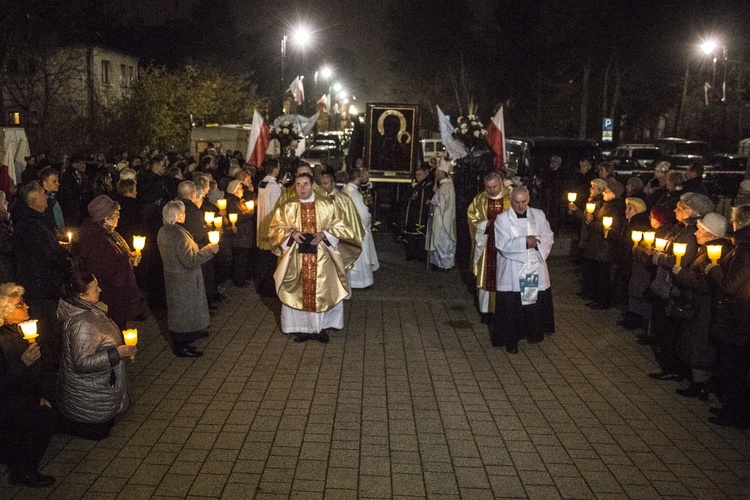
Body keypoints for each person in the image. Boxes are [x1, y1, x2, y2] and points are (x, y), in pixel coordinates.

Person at [269, 173, 362, 343]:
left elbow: (342, 226)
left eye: (305, 184)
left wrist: (325, 234)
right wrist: (291, 234)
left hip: (322, 258)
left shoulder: (327, 204)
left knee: (322, 292)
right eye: (298, 185)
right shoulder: (287, 206)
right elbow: (275, 229)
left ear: (312, 186)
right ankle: (302, 329)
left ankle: (320, 329)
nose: (302, 188)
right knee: (298, 293)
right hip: (296, 259)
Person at [56, 273, 136, 440]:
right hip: (87, 395)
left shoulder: (89, 309)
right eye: (95, 288)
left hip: (97, 388)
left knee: (105, 425)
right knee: (100, 432)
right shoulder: (81, 324)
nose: (100, 289)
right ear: (81, 296)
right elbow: (82, 363)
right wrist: (117, 353)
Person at [648, 192, 714, 381]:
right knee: (665, 329)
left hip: (673, 287)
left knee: (669, 329)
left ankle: (672, 368)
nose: (676, 210)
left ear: (693, 211)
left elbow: (682, 259)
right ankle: (671, 366)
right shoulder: (683, 228)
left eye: (681, 207)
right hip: (668, 285)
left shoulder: (690, 233)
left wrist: (659, 257)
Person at [0, 283, 56, 487]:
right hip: (8, 400)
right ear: (5, 313)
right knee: (43, 418)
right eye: (19, 305)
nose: (27, 308)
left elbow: (48, 368)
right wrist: (22, 363)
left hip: (31, 394)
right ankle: (23, 472)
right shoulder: (2, 340)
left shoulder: (30, 332)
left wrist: (45, 395)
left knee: (48, 412)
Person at [671, 212, 730, 401]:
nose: (695, 233)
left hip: (705, 308)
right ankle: (696, 382)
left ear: (711, 235)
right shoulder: (706, 249)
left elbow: (705, 284)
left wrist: (681, 274)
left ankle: (701, 385)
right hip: (698, 306)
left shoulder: (714, 254)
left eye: (700, 230)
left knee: (701, 344)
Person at [12, 182, 71, 362]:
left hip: (43, 285)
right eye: (42, 194)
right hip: (41, 288)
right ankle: (50, 368)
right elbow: (45, 256)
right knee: (49, 331)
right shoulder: (32, 225)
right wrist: (65, 260)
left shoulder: (37, 220)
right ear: (34, 200)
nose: (46, 196)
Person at [492, 187, 555, 353]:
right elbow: (502, 244)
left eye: (524, 202)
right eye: (516, 202)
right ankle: (511, 339)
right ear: (511, 201)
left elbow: (548, 235)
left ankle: (532, 333)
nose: (520, 206)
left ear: (528, 200)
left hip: (533, 265)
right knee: (513, 305)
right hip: (513, 268)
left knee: (530, 301)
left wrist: (536, 242)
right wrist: (524, 241)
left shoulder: (538, 215)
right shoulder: (502, 219)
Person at [705, 205, 750, 428]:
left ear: (738, 223)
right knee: (732, 366)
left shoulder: (745, 250)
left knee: (733, 368)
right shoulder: (740, 246)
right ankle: (732, 408)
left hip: (738, 318)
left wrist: (713, 269)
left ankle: (735, 413)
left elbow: (731, 285)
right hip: (739, 316)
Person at [157, 200, 219, 357]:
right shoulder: (178, 235)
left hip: (174, 278)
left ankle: (190, 334)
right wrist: (209, 250)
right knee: (185, 312)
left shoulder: (163, 231)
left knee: (182, 311)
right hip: (184, 280)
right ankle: (182, 345)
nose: (185, 215)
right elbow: (190, 261)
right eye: (183, 213)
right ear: (177, 215)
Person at [77, 195, 141, 330]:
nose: (119, 217)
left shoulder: (107, 234)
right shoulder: (98, 241)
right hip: (112, 299)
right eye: (117, 214)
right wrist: (126, 263)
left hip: (116, 296)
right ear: (106, 217)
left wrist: (129, 258)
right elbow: (104, 271)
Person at [467, 171, 511, 322]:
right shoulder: (480, 198)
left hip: (505, 247)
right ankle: (486, 312)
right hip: (486, 245)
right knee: (485, 278)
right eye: (489, 187)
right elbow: (472, 217)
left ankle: (501, 311)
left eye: (495, 186)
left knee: (504, 278)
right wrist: (487, 224)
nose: (492, 190)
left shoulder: (511, 197)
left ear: (501, 183)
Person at [342, 168, 379, 288]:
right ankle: (361, 283)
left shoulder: (344, 191)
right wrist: (369, 218)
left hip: (347, 230)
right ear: (357, 179)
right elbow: (363, 214)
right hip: (357, 230)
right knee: (360, 257)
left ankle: (351, 281)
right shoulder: (355, 193)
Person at [255, 161, 283, 297]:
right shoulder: (273, 186)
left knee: (262, 258)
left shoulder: (262, 183)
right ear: (275, 169)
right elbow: (277, 205)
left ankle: (261, 285)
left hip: (261, 222)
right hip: (271, 223)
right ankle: (269, 288)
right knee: (271, 259)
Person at [425, 160, 456, 270]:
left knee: (443, 242)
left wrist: (435, 196)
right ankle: (438, 262)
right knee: (437, 241)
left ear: (443, 173)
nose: (435, 173)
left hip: (443, 220)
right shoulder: (443, 185)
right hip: (438, 218)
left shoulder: (448, 186)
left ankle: (445, 264)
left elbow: (442, 203)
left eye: (438, 171)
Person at [225, 179, 255, 288]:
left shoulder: (239, 201)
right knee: (240, 259)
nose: (242, 190)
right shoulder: (232, 203)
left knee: (243, 258)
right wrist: (249, 213)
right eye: (240, 188)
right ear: (235, 190)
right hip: (240, 236)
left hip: (244, 235)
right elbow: (235, 218)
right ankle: (239, 280)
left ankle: (242, 278)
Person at [401, 165, 432, 262]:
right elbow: (405, 198)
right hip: (411, 214)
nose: (418, 177)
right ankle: (410, 254)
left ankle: (421, 255)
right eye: (416, 175)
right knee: (411, 236)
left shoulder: (428, 186)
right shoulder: (414, 185)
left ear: (425, 174)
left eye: (420, 174)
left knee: (420, 236)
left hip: (421, 214)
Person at [39, 166, 64, 231]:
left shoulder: (54, 197)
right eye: (54, 181)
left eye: (57, 181)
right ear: (45, 183)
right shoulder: (43, 200)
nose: (58, 184)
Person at [0, 191, 14, 283]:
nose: (7, 202)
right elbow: (6, 247)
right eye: (4, 200)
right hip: (4, 269)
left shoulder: (4, 221)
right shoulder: (2, 223)